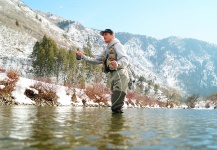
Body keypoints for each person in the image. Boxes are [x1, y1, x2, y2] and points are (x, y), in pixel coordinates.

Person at [76, 29, 129, 113]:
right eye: (103, 35)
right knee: (115, 106)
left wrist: (117, 63)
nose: (104, 36)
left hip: (120, 75)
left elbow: (125, 59)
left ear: (112, 35)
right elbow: (95, 60)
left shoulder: (117, 45)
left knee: (116, 106)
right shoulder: (107, 51)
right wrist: (83, 56)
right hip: (113, 77)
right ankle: (116, 125)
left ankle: (117, 125)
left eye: (106, 34)